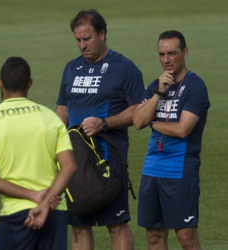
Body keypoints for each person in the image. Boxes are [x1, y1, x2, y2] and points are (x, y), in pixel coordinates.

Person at [56, 9, 145, 250]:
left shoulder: (125, 68)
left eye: (87, 39)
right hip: (74, 160)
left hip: (108, 158)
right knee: (78, 225)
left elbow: (138, 111)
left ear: (102, 34)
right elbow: (63, 109)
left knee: (116, 224)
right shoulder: (71, 68)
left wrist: (104, 123)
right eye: (78, 40)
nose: (82, 45)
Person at [0, 57, 77, 250]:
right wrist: (46, 202)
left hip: (16, 214)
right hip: (55, 212)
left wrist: (34, 196)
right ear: (30, 83)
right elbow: (69, 166)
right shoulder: (50, 118)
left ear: (0, 83)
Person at [132, 30, 210, 249]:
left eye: (172, 53)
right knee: (154, 236)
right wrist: (158, 93)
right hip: (152, 169)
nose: (166, 60)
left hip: (181, 169)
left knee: (186, 238)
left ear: (184, 52)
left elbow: (182, 129)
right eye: (161, 54)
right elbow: (138, 122)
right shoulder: (154, 86)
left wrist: (154, 123)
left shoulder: (195, 87)